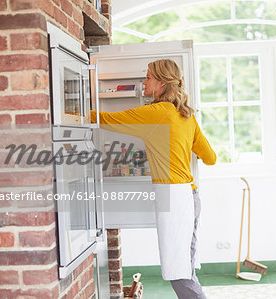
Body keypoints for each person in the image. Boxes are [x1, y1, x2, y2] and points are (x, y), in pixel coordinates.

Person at [91, 59, 216, 299]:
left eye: (148, 77)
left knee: (180, 272)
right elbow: (210, 157)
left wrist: (73, 114)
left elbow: (107, 119)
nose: (144, 82)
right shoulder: (186, 116)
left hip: (176, 199)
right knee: (183, 267)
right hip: (189, 195)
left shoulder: (157, 112)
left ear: (161, 82)